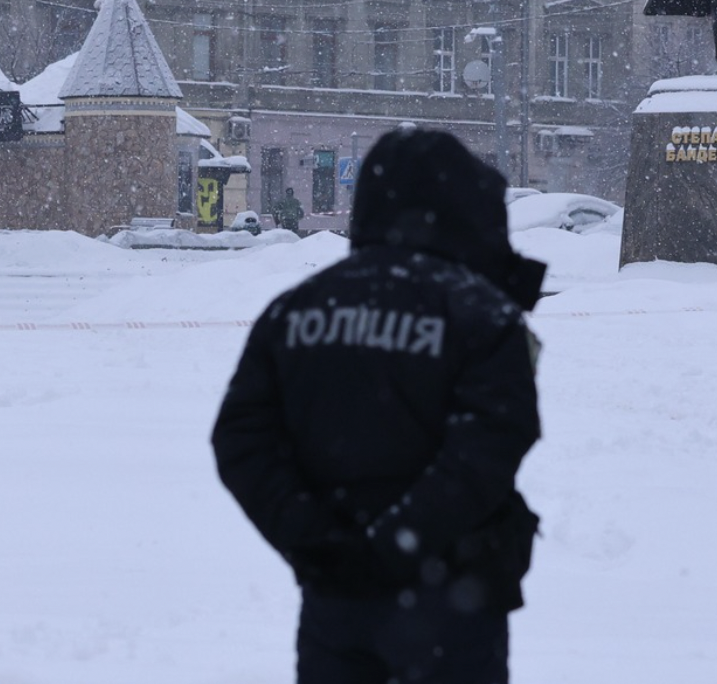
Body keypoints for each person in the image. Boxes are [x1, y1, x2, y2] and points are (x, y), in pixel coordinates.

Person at [213, 129, 547, 684]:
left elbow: (241, 437)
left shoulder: (296, 309)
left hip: (336, 601)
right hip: (455, 596)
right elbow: (490, 444)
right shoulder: (480, 313)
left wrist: (315, 540)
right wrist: (397, 544)